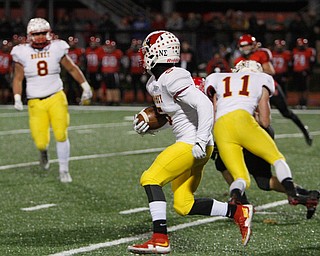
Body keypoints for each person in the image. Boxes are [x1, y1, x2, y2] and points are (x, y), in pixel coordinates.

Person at [127, 30, 253, 255]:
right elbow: (174, 117)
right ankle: (237, 212)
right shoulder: (155, 83)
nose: (143, 55)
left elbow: (204, 105)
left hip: (193, 143)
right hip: (196, 143)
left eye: (147, 51)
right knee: (183, 205)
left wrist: (200, 140)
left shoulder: (173, 76)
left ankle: (160, 239)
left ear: (159, 53)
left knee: (151, 178)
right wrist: (149, 126)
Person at [204, 60, 319, 219]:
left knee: (230, 169)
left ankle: (240, 201)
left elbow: (217, 114)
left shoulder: (222, 80)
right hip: (252, 128)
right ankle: (303, 194)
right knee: (265, 178)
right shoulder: (261, 81)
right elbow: (266, 120)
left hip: (229, 129)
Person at [11, 18, 92, 183]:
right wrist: (17, 97)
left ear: (48, 33)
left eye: (43, 33)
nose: (40, 37)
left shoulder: (57, 47)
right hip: (35, 101)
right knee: (41, 142)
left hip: (56, 96)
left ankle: (64, 169)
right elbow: (18, 78)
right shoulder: (22, 52)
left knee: (61, 133)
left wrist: (86, 86)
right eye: (36, 34)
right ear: (29, 35)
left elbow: (71, 68)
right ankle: (43, 153)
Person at [234, 34, 312, 146]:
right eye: (243, 46)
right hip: (253, 92)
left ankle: (304, 130)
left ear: (253, 45)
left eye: (247, 45)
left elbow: (271, 71)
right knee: (252, 117)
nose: (245, 48)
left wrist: (254, 71)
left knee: (285, 112)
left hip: (269, 88)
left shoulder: (261, 53)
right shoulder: (239, 60)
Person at [292, 38, 316, 109]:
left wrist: (309, 72)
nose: (301, 46)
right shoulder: (294, 51)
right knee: (298, 89)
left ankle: (304, 103)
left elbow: (312, 63)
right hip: (296, 71)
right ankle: (300, 102)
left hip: (305, 72)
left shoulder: (309, 51)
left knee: (305, 88)